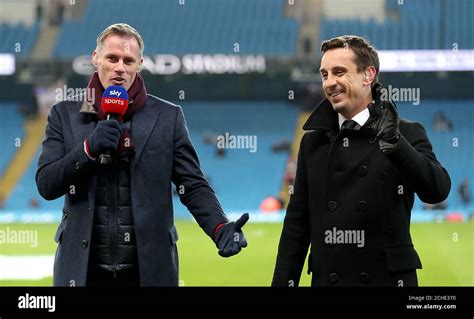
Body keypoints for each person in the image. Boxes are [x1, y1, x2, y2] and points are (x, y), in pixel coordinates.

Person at [36, 23, 248, 287]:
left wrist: (219, 227)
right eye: (112, 58)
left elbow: (192, 185)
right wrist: (88, 150)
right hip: (81, 272)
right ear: (95, 58)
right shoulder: (64, 114)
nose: (119, 68)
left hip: (150, 272)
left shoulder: (168, 117)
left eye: (128, 60)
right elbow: (46, 184)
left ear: (140, 64)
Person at [272, 35, 451, 287]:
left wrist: (395, 143)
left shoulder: (407, 133)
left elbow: (437, 190)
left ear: (368, 76)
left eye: (339, 72)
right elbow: (296, 228)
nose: (329, 83)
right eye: (324, 74)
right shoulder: (313, 142)